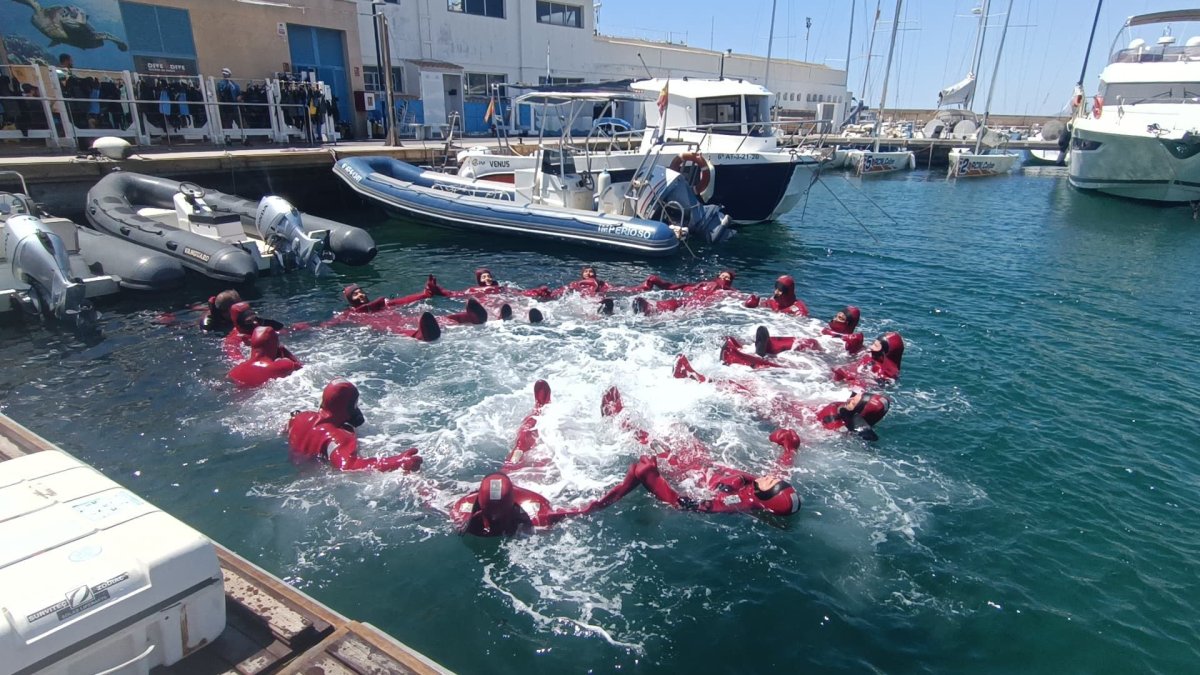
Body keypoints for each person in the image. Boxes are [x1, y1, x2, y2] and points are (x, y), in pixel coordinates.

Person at [586, 387, 802, 516]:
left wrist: (654, 479)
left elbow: (686, 505)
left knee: (650, 442)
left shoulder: (739, 502)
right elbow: (781, 469)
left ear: (768, 496)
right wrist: (789, 448)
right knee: (675, 429)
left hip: (685, 471)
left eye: (772, 483)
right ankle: (623, 418)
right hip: (702, 461)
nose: (772, 478)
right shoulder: (758, 488)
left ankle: (617, 419)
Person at [673, 355, 893, 438]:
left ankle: (691, 376)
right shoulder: (846, 412)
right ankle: (694, 375)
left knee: (737, 390)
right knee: (746, 384)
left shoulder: (838, 426)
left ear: (860, 412)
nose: (853, 397)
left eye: (858, 400)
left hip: (784, 417)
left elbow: (811, 435)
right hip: (790, 408)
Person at [287, 379, 423, 472]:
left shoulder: (300, 417)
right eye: (354, 404)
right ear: (346, 407)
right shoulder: (338, 436)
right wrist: (397, 462)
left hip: (297, 465)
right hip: (316, 477)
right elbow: (347, 466)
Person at [450, 472, 589, 537]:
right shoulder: (463, 513)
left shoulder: (535, 513)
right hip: (513, 478)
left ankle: (537, 415)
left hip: (529, 478)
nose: (495, 519)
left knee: (525, 447)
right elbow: (587, 509)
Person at [754, 306, 865, 357]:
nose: (835, 319)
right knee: (797, 338)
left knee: (809, 342)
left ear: (849, 323)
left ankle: (770, 348)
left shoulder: (853, 338)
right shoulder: (826, 330)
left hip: (828, 353)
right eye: (836, 316)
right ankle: (767, 343)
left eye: (841, 318)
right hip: (822, 347)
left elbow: (856, 346)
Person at [228, 326, 301, 387]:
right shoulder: (283, 365)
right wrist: (283, 350)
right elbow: (302, 369)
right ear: (273, 343)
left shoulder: (234, 371)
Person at [832, 332, 904, 387]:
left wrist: (848, 376)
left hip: (848, 386)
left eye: (875, 346)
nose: (871, 347)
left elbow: (866, 387)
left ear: (885, 352)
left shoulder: (885, 374)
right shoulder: (873, 357)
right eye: (873, 344)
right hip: (846, 374)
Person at [813, 391, 891, 442]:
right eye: (854, 396)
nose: (848, 399)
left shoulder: (835, 422)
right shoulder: (833, 416)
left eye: (852, 403)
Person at [427, 268, 552, 300]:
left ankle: (542, 293)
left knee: (519, 295)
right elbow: (453, 294)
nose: (487, 278)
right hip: (488, 301)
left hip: (503, 298)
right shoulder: (474, 290)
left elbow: (519, 292)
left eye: (488, 276)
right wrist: (436, 288)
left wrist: (537, 292)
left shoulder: (501, 287)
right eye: (484, 277)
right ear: (480, 280)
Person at [744, 274, 809, 317]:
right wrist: (751, 305)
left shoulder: (798, 309)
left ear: (789, 292)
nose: (776, 292)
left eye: (781, 289)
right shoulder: (772, 301)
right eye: (776, 287)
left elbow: (802, 324)